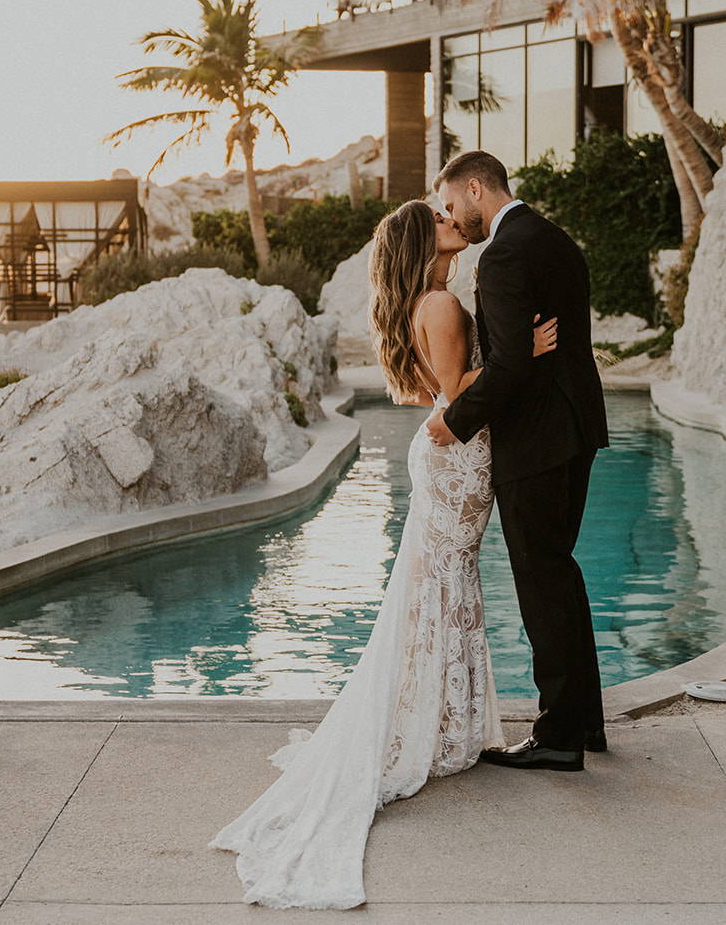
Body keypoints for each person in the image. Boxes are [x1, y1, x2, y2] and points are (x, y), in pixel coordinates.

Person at [209, 198, 558, 910]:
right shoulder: (438, 304)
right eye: (437, 216)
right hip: (457, 457)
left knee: (443, 586)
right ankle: (435, 726)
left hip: (451, 456)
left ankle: (441, 721)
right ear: (420, 240)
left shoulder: (430, 300)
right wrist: (529, 352)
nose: (451, 216)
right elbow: (460, 393)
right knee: (442, 587)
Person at [425, 149, 610, 772]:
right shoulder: (556, 238)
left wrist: (453, 422)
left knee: (541, 581)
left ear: (476, 188)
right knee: (560, 573)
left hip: (535, 440)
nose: (454, 216)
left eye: (453, 204)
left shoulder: (503, 254)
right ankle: (583, 723)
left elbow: (506, 367)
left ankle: (559, 738)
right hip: (577, 430)